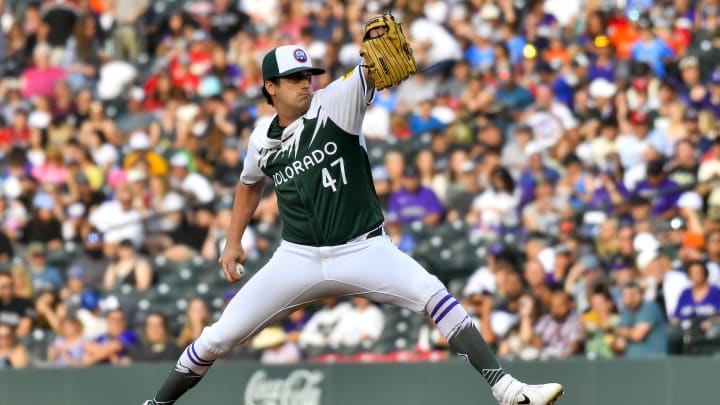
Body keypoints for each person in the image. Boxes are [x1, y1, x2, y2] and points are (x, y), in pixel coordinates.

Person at [142, 41, 562, 405]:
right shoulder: (260, 139)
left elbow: (372, 70)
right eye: (293, 77)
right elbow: (249, 184)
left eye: (308, 74)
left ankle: (507, 390)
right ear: (270, 87)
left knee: (434, 294)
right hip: (298, 257)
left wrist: (376, 56)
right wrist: (233, 240)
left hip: (364, 248)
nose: (305, 82)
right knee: (217, 337)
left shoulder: (336, 101)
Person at [612, 281, 668, 358]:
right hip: (630, 362)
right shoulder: (627, 312)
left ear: (641, 294)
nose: (630, 298)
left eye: (633, 294)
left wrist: (618, 330)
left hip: (652, 361)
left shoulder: (649, 307)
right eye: (626, 295)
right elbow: (619, 343)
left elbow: (637, 335)